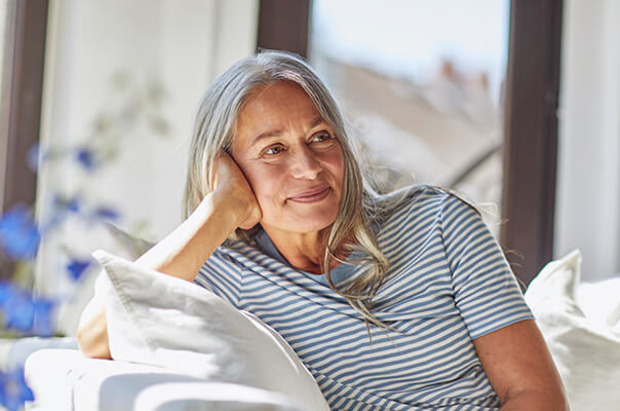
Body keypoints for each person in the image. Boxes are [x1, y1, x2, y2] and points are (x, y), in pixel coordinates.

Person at [77, 50, 568, 410]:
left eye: (320, 138)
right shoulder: (220, 272)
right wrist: (219, 211)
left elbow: (534, 394)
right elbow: (97, 335)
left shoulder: (438, 223)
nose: (309, 168)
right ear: (224, 168)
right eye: (273, 150)